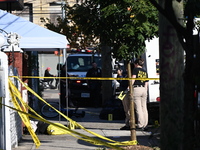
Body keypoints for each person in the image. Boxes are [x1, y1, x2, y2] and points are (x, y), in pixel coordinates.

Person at [120, 59, 149, 131]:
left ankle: (140, 125)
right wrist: (145, 90)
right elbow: (146, 83)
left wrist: (128, 88)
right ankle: (145, 124)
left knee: (138, 108)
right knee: (144, 108)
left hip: (136, 89)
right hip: (143, 90)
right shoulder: (145, 71)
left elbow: (133, 79)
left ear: (136, 64)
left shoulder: (136, 70)